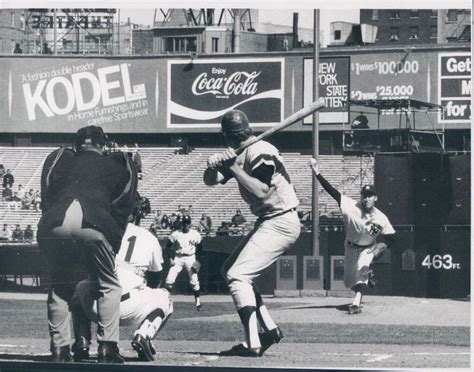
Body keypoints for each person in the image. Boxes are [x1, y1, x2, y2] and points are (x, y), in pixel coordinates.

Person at [203, 109, 300, 357]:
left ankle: (252, 343)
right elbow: (210, 181)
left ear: (227, 135)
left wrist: (233, 168)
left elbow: (261, 192)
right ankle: (268, 329)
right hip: (269, 220)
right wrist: (212, 165)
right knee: (229, 270)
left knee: (238, 276)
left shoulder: (260, 150)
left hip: (280, 220)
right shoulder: (241, 152)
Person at [37, 125, 138, 363]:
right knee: (108, 286)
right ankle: (107, 348)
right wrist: (111, 239)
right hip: (94, 222)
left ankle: (60, 350)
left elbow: (47, 192)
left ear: (77, 145)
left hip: (55, 222)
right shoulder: (120, 160)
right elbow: (125, 201)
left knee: (60, 287)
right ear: (102, 145)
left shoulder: (59, 157)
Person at [70, 202, 173, 362]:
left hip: (97, 306)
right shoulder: (148, 237)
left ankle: (82, 341)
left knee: (80, 288)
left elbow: (85, 265)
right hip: (130, 305)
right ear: (138, 213)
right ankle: (143, 335)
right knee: (165, 297)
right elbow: (156, 278)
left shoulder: (98, 230)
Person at [310, 158, 395, 315]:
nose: (366, 198)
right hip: (350, 247)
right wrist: (317, 172)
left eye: (370, 195)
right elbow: (331, 191)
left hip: (367, 248)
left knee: (362, 271)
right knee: (348, 282)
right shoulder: (350, 205)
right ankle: (364, 281)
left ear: (376, 198)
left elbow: (392, 238)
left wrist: (382, 245)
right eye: (364, 195)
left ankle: (356, 303)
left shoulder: (381, 218)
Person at [164, 215, 203, 311]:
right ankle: (166, 302)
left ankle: (198, 303)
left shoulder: (195, 234)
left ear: (190, 224)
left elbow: (201, 248)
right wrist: (170, 259)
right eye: (184, 223)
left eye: (187, 223)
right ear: (181, 224)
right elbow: (167, 246)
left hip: (190, 257)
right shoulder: (176, 234)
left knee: (194, 281)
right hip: (178, 258)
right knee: (169, 280)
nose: (185, 225)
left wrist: (198, 260)